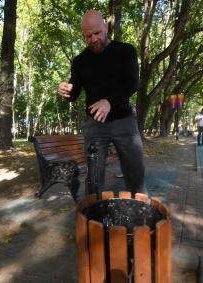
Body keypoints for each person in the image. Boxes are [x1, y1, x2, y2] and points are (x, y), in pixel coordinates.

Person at [58, 10, 147, 197]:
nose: (93, 39)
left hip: (125, 121)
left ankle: (142, 211)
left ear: (106, 28)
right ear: (83, 35)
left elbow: (133, 83)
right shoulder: (80, 61)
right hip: (94, 125)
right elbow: (73, 94)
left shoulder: (125, 51)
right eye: (88, 35)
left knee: (135, 171)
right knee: (94, 176)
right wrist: (66, 92)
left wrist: (108, 101)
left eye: (97, 33)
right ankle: (94, 216)